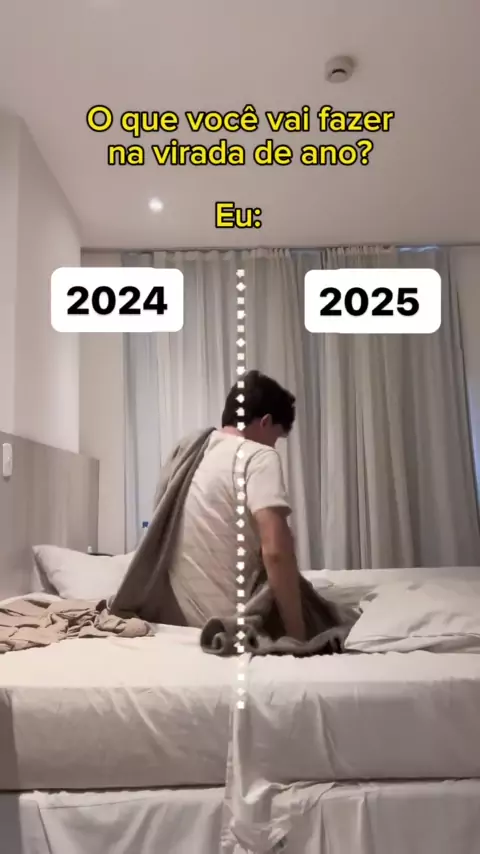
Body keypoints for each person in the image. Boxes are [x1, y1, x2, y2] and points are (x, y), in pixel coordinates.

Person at [169, 370, 306, 641]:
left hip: (178, 617)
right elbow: (276, 553)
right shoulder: (258, 456)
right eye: (276, 438)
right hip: (231, 622)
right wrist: (297, 634)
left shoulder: (187, 455)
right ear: (265, 422)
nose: (274, 446)